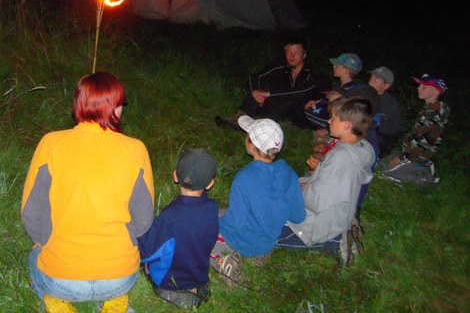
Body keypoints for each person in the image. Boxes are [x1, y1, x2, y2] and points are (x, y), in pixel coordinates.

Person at [21, 72, 154, 313]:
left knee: (34, 256)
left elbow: (31, 212)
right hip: (120, 277)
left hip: (60, 280)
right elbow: (144, 220)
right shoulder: (136, 149)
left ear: (78, 104)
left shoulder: (50, 143)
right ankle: (115, 301)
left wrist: (44, 241)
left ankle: (53, 300)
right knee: (116, 279)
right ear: (114, 108)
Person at [276, 97, 375, 267]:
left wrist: (298, 191)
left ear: (347, 125)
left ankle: (334, 243)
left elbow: (317, 201)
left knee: (264, 226)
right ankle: (340, 232)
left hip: (315, 226)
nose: (329, 121)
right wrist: (308, 181)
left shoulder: (341, 157)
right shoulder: (359, 148)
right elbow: (331, 185)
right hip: (336, 214)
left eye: (333, 118)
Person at [210, 116, 306, 281]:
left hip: (243, 240)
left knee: (200, 230)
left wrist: (213, 224)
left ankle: (222, 261)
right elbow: (298, 216)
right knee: (216, 212)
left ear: (252, 145)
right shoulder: (289, 173)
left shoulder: (244, 178)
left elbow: (234, 223)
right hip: (267, 243)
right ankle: (258, 257)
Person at [138, 148, 218, 309]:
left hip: (169, 284)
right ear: (210, 184)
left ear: (175, 176)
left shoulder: (171, 216)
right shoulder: (212, 208)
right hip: (200, 278)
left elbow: (145, 251)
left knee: (146, 256)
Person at [215, 40, 330, 129]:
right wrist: (255, 93)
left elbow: (300, 92)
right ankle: (239, 118)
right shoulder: (282, 67)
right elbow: (255, 77)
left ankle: (257, 126)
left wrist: (269, 94)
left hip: (303, 112)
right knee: (263, 88)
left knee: (284, 98)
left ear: (304, 55)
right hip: (279, 106)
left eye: (296, 53)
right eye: (289, 52)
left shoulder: (313, 72)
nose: (292, 56)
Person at [380, 74, 449, 185]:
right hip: (411, 153)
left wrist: (403, 157)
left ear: (436, 91)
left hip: (417, 156)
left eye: (424, 87)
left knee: (385, 173)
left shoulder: (434, 114)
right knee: (382, 162)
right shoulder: (429, 109)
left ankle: (425, 178)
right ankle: (417, 168)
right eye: (419, 85)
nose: (419, 88)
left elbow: (426, 142)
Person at [367, 66, 405, 156]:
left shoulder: (390, 104)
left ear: (386, 85)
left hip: (379, 141)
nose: (372, 80)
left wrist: (376, 124)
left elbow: (394, 130)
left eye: (376, 79)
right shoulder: (365, 94)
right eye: (371, 77)